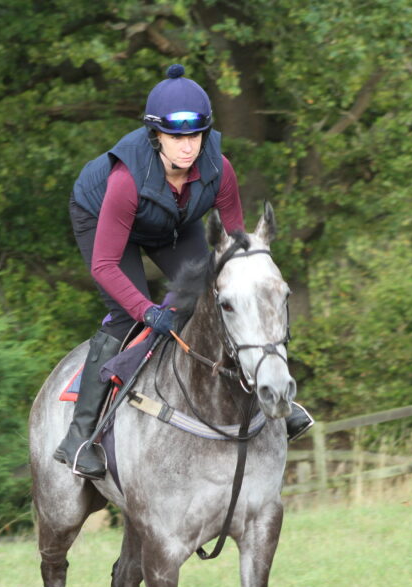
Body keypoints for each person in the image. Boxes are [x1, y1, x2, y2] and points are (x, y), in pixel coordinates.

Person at [56, 64, 312, 479]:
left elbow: (236, 254)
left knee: (215, 292)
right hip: (102, 216)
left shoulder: (219, 169)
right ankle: (80, 436)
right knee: (126, 314)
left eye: (196, 136)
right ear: (156, 135)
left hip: (169, 220)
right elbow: (104, 265)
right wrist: (147, 310)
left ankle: (272, 396)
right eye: (176, 137)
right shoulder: (125, 180)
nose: (188, 147)